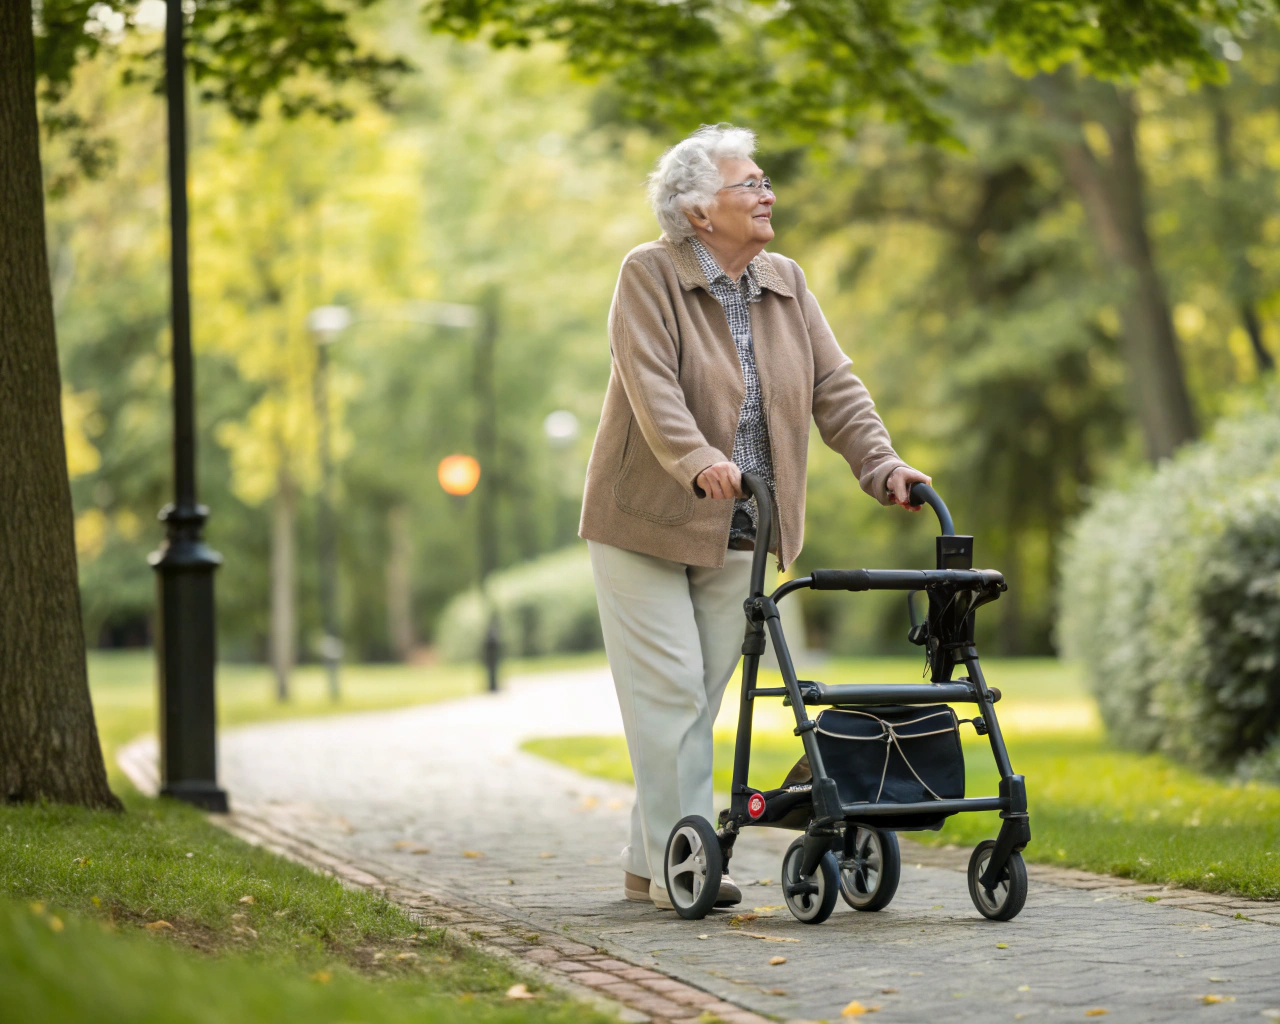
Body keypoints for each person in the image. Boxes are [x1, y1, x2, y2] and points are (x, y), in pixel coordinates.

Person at [579, 123, 931, 909]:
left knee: (695, 704)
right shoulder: (649, 273)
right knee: (670, 697)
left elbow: (834, 386)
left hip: (744, 523)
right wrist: (696, 458)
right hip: (645, 521)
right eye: (750, 184)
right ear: (699, 211)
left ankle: (649, 860)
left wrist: (881, 464)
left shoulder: (785, 281)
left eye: (766, 181)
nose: (768, 194)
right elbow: (649, 383)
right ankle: (682, 872)